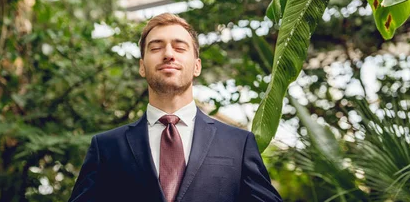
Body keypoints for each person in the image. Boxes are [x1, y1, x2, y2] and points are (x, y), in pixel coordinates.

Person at [69, 13, 282, 202]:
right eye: (156, 47)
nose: (169, 54)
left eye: (180, 47)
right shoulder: (106, 147)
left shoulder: (239, 144)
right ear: (142, 67)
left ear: (197, 66)